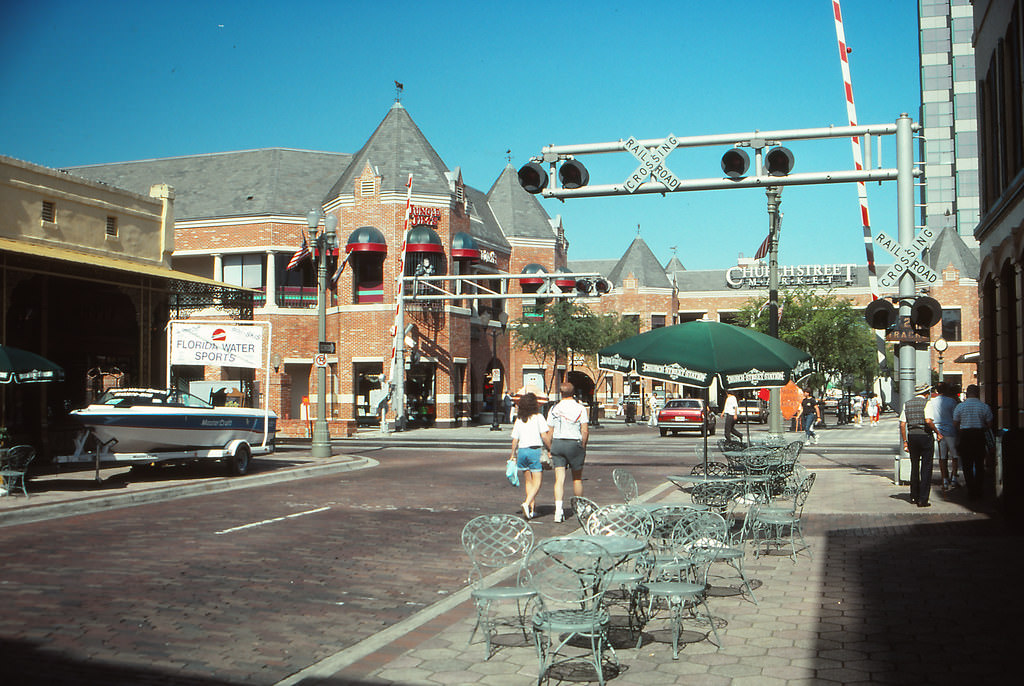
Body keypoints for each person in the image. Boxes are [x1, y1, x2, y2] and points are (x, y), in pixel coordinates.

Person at [546, 382, 589, 523]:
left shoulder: (554, 408)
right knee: (577, 478)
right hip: (574, 443)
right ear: (573, 393)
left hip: (558, 443)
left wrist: (549, 448)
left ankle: (558, 511)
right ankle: (580, 507)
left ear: (561, 393)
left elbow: (549, 431)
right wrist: (583, 446)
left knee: (559, 479)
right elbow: (584, 430)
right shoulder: (580, 408)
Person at [509, 392, 551, 519]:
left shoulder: (519, 419)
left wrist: (512, 455)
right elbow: (544, 436)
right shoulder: (538, 417)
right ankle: (527, 503)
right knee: (537, 481)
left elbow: (515, 440)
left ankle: (531, 510)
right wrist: (550, 448)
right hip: (535, 450)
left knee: (528, 481)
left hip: (522, 451)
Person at [953, 384, 994, 501]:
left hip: (965, 436)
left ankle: (971, 490)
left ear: (967, 394)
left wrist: (961, 430)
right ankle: (979, 489)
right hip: (979, 435)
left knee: (967, 465)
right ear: (978, 393)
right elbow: (990, 423)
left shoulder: (960, 406)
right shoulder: (984, 406)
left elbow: (955, 423)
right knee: (979, 464)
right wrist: (982, 427)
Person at [900, 384, 936, 507]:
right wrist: (937, 432)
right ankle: (923, 499)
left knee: (914, 466)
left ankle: (914, 496)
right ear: (926, 393)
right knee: (926, 467)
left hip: (912, 436)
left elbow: (902, 424)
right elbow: (928, 420)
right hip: (925, 436)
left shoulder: (907, 404)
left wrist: (905, 441)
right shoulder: (927, 403)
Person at [928, 382, 960, 492]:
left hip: (938, 431)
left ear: (937, 390)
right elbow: (955, 417)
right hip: (951, 430)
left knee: (942, 457)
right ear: (946, 390)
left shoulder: (931, 402)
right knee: (954, 456)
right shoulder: (952, 401)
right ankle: (954, 477)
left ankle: (944, 479)